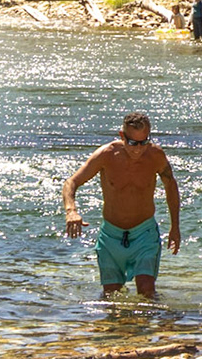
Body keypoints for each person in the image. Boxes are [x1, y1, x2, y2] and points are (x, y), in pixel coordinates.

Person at [62, 112, 181, 298]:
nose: (138, 149)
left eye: (144, 142)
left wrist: (175, 227)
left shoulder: (156, 156)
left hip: (145, 235)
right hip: (111, 236)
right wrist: (71, 211)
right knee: (111, 297)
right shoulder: (106, 155)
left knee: (147, 291)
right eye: (133, 143)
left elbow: (171, 186)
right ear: (122, 136)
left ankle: (153, 326)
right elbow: (71, 182)